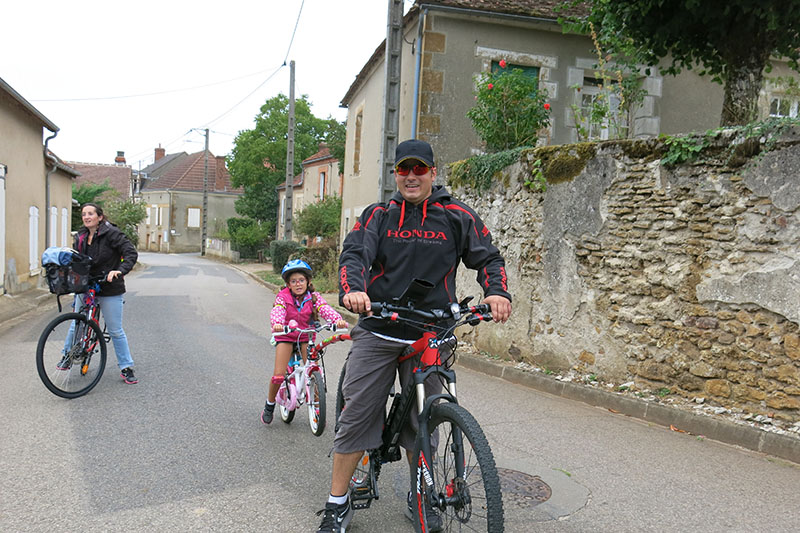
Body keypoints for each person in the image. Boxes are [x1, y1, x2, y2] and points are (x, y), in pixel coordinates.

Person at [316, 139, 512, 532]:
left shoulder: (456, 216)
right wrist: (355, 291)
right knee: (358, 413)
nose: (411, 176)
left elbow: (488, 256)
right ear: (395, 174)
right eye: (404, 169)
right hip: (381, 326)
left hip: (431, 331)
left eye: (419, 169)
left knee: (426, 420)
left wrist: (496, 292)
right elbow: (354, 255)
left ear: (432, 174)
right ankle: (337, 502)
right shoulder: (380, 215)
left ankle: (419, 493)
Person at [260, 259, 348, 424]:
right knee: (279, 375)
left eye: (301, 280)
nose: (298, 284)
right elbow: (278, 310)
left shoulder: (314, 297)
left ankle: (316, 405)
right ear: (288, 284)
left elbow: (325, 309)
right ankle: (270, 404)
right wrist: (278, 324)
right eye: (293, 281)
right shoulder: (283, 297)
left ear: (308, 281)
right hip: (286, 335)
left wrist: (337, 320)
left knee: (313, 369)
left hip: (306, 336)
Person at [63, 202, 139, 384]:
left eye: (90, 214)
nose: (87, 217)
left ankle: (126, 367)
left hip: (109, 286)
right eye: (84, 214)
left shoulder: (111, 233)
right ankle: (67, 356)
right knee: (77, 322)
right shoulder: (80, 236)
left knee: (115, 330)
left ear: (100, 217)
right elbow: (77, 259)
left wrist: (119, 271)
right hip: (86, 285)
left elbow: (130, 253)